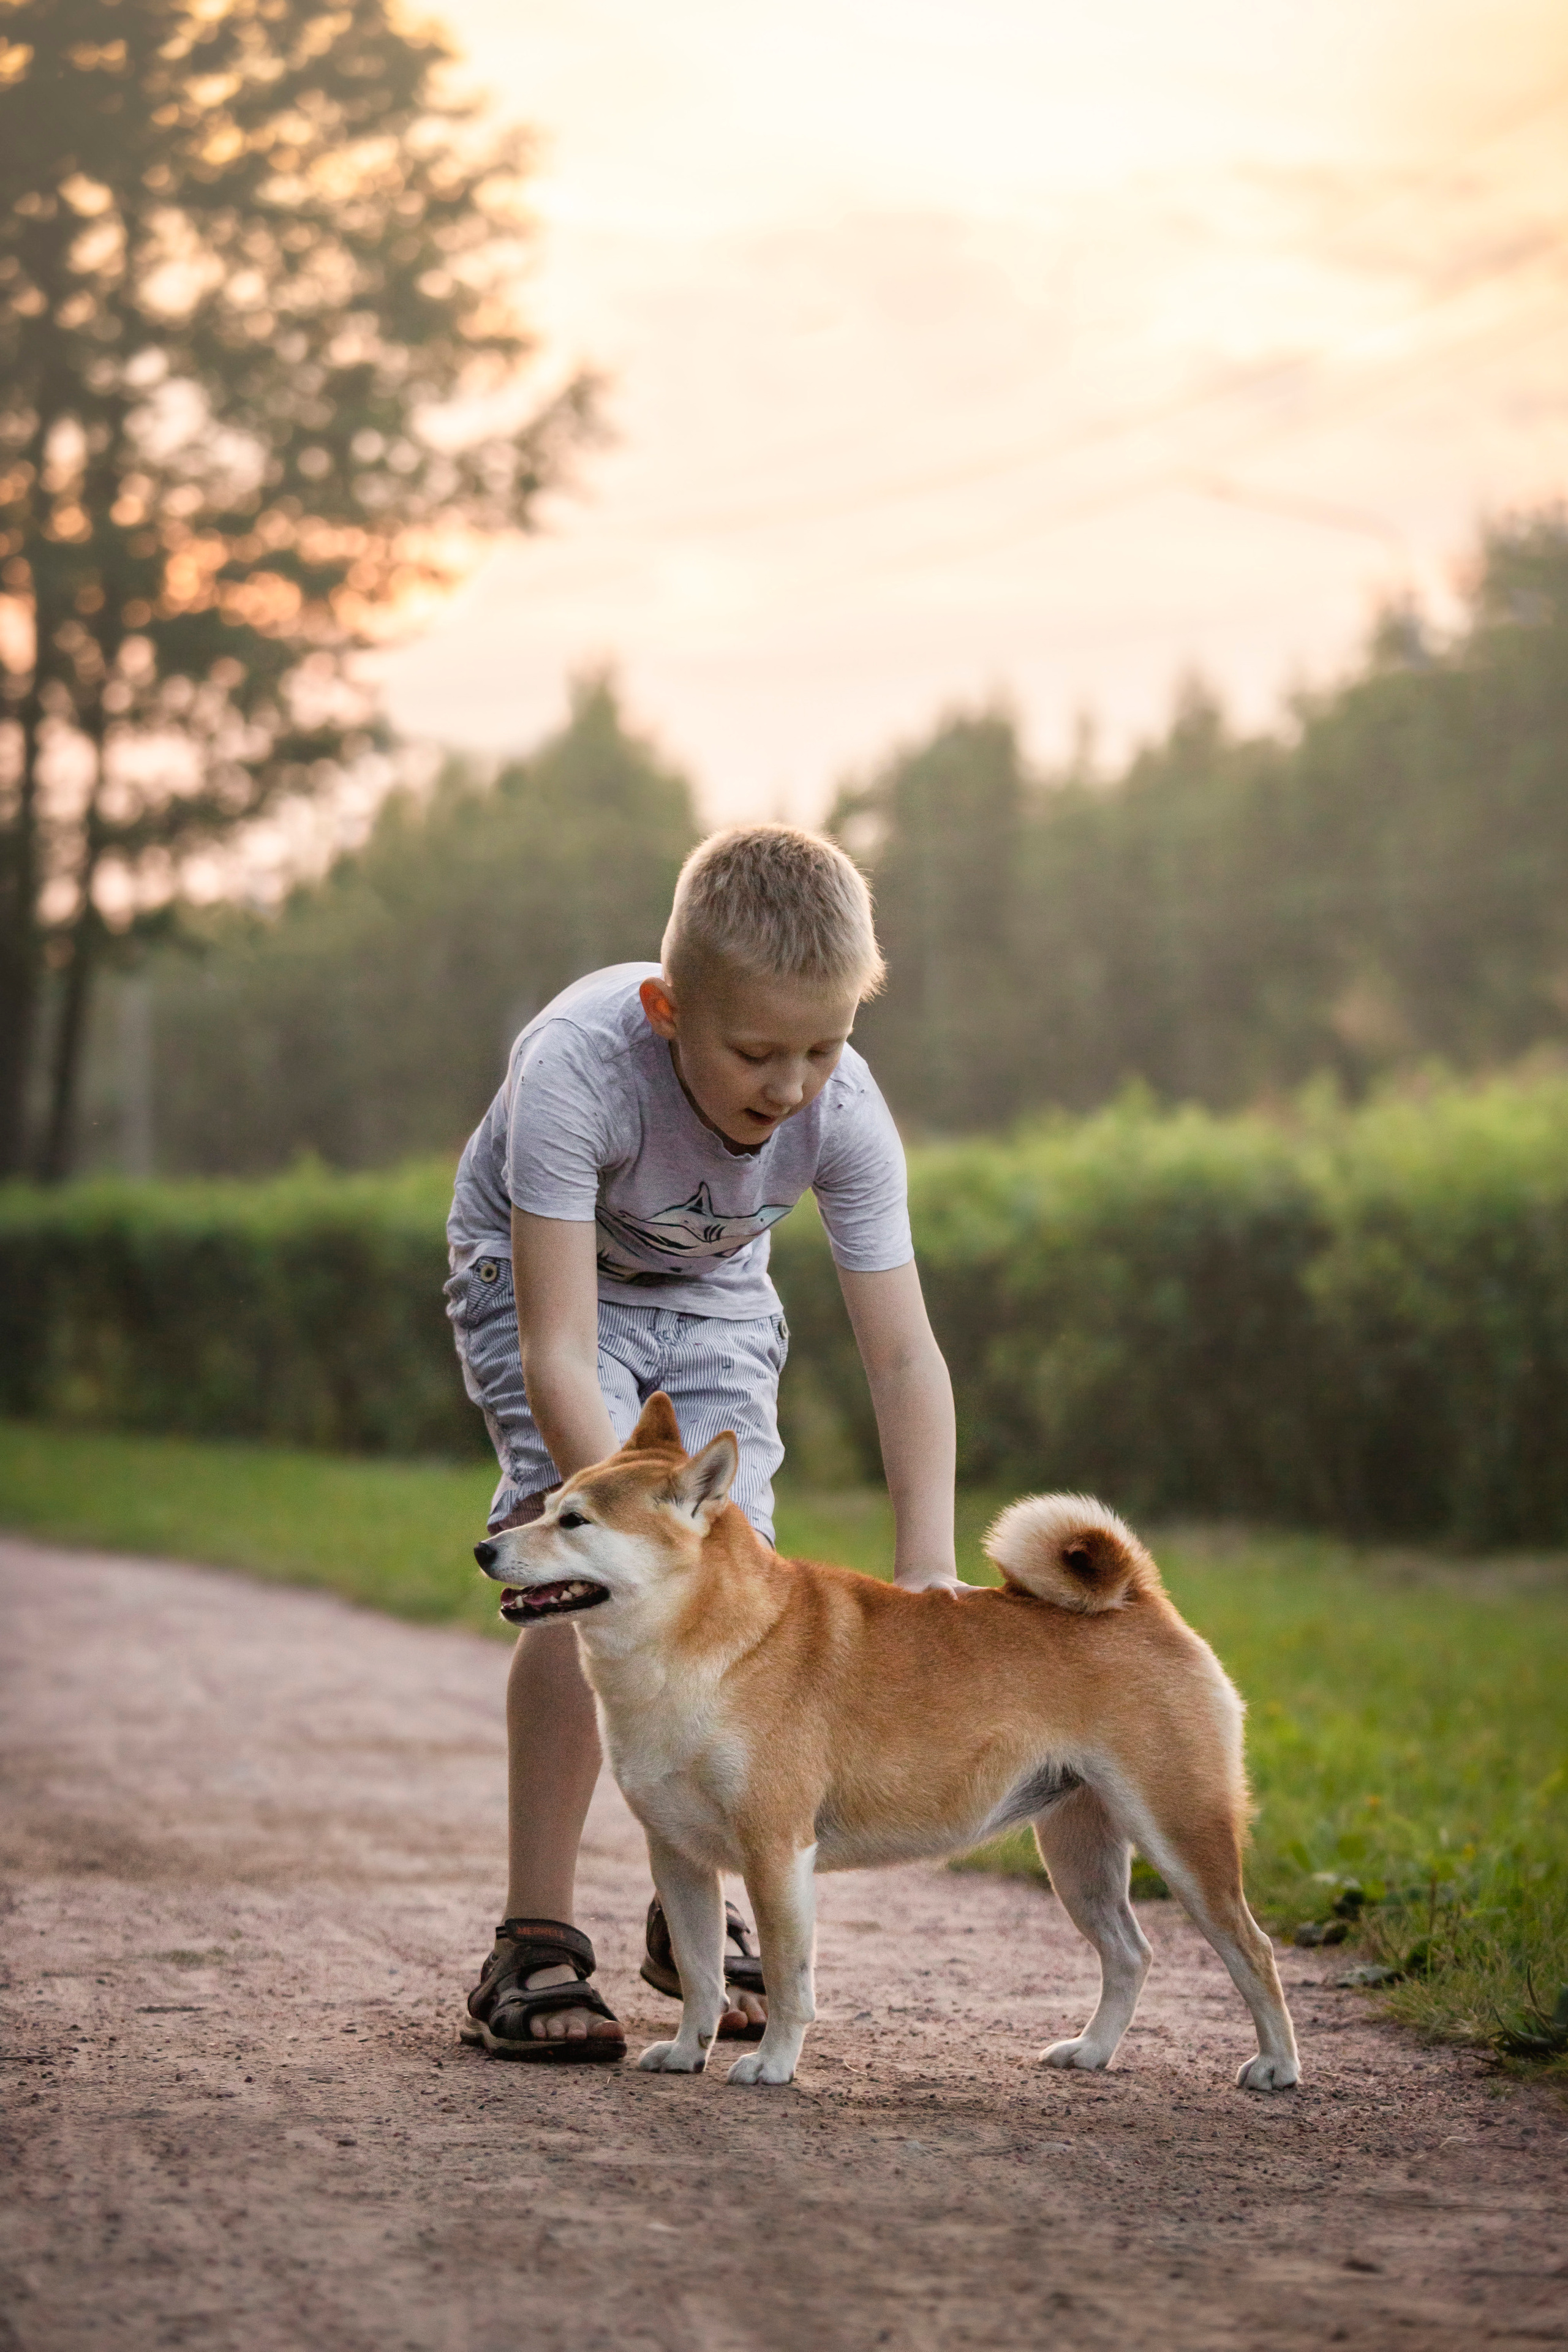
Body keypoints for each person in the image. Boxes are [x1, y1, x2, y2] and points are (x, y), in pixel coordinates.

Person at [445, 823, 959, 2059]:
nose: (789, 1088)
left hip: (716, 1294)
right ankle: (533, 1939)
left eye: (823, 1050)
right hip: (545, 1287)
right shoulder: (580, 1066)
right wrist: (621, 1530)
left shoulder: (842, 1111)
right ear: (671, 1011)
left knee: (732, 1580)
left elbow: (901, 1355)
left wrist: (927, 1569)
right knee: (601, 1579)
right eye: (754, 1053)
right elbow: (562, 1346)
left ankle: (693, 1916)